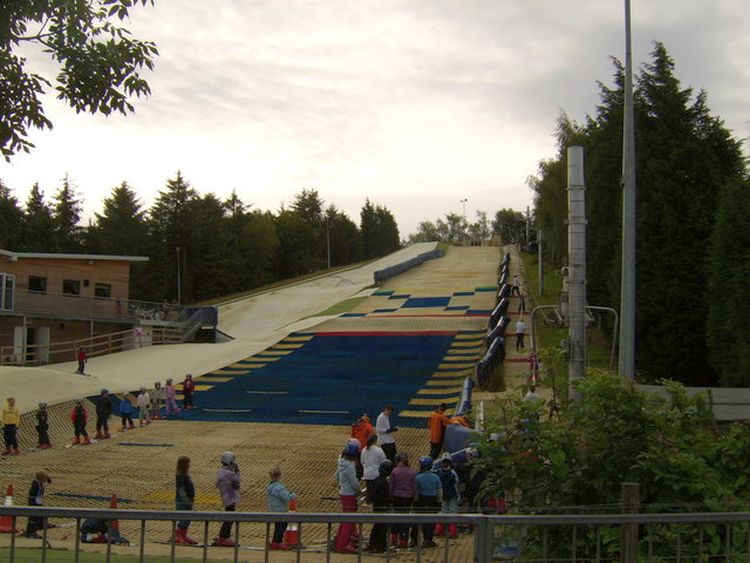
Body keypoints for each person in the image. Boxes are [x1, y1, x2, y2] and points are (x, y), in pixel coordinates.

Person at [333, 440, 360, 553]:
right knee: (349, 520)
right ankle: (343, 544)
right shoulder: (350, 467)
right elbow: (354, 484)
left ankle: (343, 539)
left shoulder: (342, 463)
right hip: (349, 494)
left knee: (345, 518)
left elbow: (336, 477)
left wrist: (343, 483)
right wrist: (358, 489)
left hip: (343, 493)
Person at [413, 456, 442, 548]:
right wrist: (439, 502)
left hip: (422, 500)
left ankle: (415, 540)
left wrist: (415, 501)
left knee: (419, 520)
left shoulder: (418, 478)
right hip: (432, 500)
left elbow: (416, 491)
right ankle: (428, 539)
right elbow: (439, 490)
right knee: (431, 521)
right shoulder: (436, 477)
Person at [214, 451, 241, 547]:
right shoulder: (229, 473)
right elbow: (237, 482)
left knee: (229, 518)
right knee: (229, 518)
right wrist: (237, 471)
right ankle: (224, 537)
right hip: (230, 496)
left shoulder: (222, 471)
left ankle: (223, 537)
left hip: (227, 495)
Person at [389, 452, 416, 548]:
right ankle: (403, 541)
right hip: (408, 498)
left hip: (397, 497)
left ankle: (393, 538)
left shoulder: (394, 471)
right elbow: (414, 487)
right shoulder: (412, 472)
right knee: (405, 518)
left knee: (396, 516)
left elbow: (391, 486)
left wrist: (391, 496)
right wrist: (414, 498)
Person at [266, 466, 297, 550]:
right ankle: (278, 542)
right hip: (280, 510)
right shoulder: (279, 487)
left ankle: (275, 541)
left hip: (273, 509)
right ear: (279, 476)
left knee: (278, 526)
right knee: (282, 525)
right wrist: (293, 495)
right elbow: (286, 497)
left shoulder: (270, 486)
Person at [367, 460, 393, 553]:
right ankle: (380, 546)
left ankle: (374, 544)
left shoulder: (377, 479)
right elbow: (383, 496)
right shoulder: (383, 482)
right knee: (381, 527)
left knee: (378, 526)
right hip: (382, 507)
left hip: (377, 506)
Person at [174, 456, 198, 544]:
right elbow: (181, 490)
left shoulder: (185, 475)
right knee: (184, 518)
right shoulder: (180, 476)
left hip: (188, 500)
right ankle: (178, 535)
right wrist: (186, 501)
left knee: (188, 518)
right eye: (188, 463)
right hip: (183, 501)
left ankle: (183, 535)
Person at [435, 456, 460, 538]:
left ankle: (439, 530)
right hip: (452, 496)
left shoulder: (438, 472)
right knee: (453, 513)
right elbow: (456, 485)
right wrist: (458, 495)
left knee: (442, 512)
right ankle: (452, 532)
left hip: (443, 496)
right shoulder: (453, 473)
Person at [360, 432, 387, 503]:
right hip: (376, 475)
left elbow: (362, 462)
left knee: (369, 491)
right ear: (375, 440)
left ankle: (368, 502)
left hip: (367, 474)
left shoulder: (364, 450)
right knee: (376, 492)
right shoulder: (378, 450)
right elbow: (384, 462)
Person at [25, 470, 52, 538]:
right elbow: (37, 497)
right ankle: (31, 532)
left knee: (36, 516)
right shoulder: (37, 486)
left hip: (35, 501)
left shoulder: (37, 483)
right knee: (33, 518)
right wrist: (39, 505)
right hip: (35, 503)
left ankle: (41, 525)